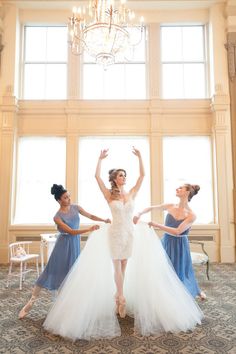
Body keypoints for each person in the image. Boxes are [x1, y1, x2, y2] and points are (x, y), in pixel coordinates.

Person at [43, 150, 203, 341]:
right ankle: (120, 297)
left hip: (130, 233)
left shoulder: (132, 192)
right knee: (117, 264)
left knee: (124, 265)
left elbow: (143, 176)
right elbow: (96, 177)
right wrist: (99, 159)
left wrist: (140, 157)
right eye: (121, 175)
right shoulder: (109, 195)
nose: (124, 178)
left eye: (125, 175)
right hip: (115, 233)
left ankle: (119, 294)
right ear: (114, 179)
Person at [18, 184, 111, 319]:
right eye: (66, 197)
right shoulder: (57, 217)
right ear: (59, 200)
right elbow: (71, 231)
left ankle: (65, 307)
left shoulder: (76, 207)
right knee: (51, 271)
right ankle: (31, 301)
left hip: (74, 245)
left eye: (69, 196)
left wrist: (104, 219)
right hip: (63, 245)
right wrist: (89, 230)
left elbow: (90, 215)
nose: (69, 199)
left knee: (71, 274)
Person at [133, 184, 206, 300]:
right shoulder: (170, 205)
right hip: (166, 242)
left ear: (187, 193)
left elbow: (177, 231)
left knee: (178, 271)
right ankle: (162, 293)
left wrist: (156, 225)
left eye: (180, 188)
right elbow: (151, 208)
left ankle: (190, 291)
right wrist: (139, 213)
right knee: (162, 268)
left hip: (179, 245)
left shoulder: (192, 215)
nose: (177, 188)